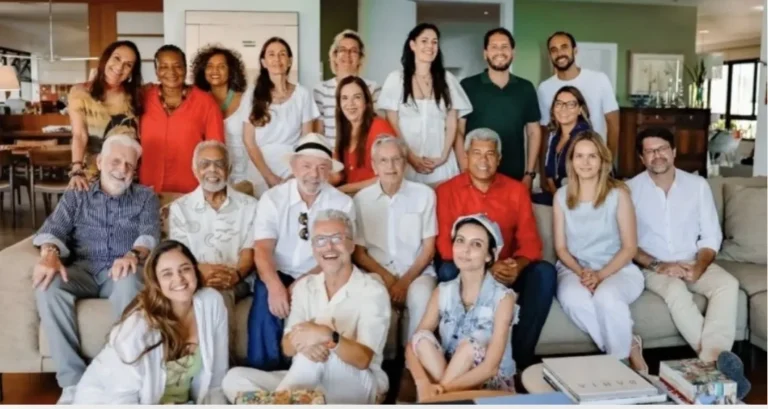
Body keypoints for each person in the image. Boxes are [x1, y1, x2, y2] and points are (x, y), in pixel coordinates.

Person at [32, 135, 160, 404]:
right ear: (99, 162)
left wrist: (132, 255)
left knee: (129, 280)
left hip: (121, 269)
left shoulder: (145, 197)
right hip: (83, 270)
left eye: (129, 165)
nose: (122, 169)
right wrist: (50, 253)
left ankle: (121, 376)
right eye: (116, 161)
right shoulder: (77, 194)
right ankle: (72, 383)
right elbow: (53, 229)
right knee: (48, 284)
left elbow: (149, 235)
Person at [627, 127, 749, 399]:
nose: (657, 155)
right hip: (654, 266)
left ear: (673, 152)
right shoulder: (630, 190)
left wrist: (698, 267)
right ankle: (721, 367)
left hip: (693, 260)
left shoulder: (697, 186)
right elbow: (629, 244)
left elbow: (711, 235)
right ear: (641, 158)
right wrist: (658, 266)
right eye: (649, 151)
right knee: (675, 291)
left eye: (662, 149)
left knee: (728, 284)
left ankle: (713, 365)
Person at [222, 210, 390, 404]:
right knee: (234, 378)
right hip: (307, 380)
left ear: (351, 245)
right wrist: (305, 340)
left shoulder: (372, 290)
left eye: (337, 238)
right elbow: (287, 347)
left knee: (313, 357)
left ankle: (278, 402)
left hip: (359, 382)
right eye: (320, 240)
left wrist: (328, 336)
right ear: (313, 248)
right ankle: (290, 401)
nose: (329, 247)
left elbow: (363, 359)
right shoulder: (305, 286)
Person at [435, 128, 556, 371]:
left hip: (506, 270)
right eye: (477, 153)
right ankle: (455, 357)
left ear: (499, 159)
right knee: (447, 270)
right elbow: (445, 248)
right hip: (466, 269)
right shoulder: (446, 191)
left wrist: (516, 266)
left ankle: (519, 360)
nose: (483, 160)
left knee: (544, 272)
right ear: (466, 157)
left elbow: (531, 243)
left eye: (490, 154)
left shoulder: (516, 190)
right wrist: (485, 269)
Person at [247, 133, 355, 371]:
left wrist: (301, 283)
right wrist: (276, 286)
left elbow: (340, 253)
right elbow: (262, 249)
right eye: (306, 166)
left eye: (322, 168)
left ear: (329, 172)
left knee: (316, 301)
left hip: (321, 273)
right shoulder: (272, 198)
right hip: (279, 271)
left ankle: (301, 375)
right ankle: (265, 374)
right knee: (266, 296)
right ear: (294, 166)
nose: (314, 174)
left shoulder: (342, 203)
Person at [73, 240, 228, 404]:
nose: (179, 278)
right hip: (108, 400)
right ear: (156, 282)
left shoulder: (212, 303)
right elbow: (122, 398)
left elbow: (215, 379)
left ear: (195, 270)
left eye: (185, 269)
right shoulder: (138, 326)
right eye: (167, 274)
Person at [552, 130, 646, 372]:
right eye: (579, 156)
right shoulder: (561, 196)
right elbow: (561, 248)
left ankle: (618, 369)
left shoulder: (619, 194)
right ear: (571, 161)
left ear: (603, 160)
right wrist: (583, 273)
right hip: (574, 268)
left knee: (607, 298)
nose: (585, 162)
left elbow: (629, 247)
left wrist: (600, 275)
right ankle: (627, 347)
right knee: (574, 299)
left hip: (617, 268)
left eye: (592, 156)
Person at [407, 214, 517, 402]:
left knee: (470, 346)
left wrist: (441, 389)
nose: (465, 250)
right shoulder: (442, 292)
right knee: (421, 338)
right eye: (460, 241)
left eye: (476, 244)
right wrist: (422, 383)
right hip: (449, 374)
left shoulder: (503, 298)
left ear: (489, 255)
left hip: (489, 384)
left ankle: (435, 401)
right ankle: (440, 399)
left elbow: (490, 368)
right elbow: (412, 346)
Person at [169, 140, 258, 354]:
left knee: (216, 295)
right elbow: (180, 254)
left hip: (236, 278)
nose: (212, 170)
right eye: (205, 164)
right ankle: (179, 362)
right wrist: (199, 273)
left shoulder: (250, 206)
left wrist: (236, 274)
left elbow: (249, 253)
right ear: (195, 170)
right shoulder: (180, 208)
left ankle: (221, 365)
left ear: (229, 168)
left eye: (219, 164)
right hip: (192, 276)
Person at [353, 136, 437, 356]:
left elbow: (429, 249)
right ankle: (378, 363)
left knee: (422, 296)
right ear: (374, 165)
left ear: (405, 163)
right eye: (383, 160)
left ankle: (413, 362)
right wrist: (390, 279)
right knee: (372, 294)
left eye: (396, 159)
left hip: (417, 272)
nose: (390, 166)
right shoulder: (361, 200)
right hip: (377, 271)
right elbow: (359, 254)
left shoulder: (425, 195)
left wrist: (404, 281)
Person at [379, 23, 472, 187]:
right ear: (412, 45)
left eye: (434, 42)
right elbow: (392, 124)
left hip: (441, 164)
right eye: (424, 41)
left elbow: (452, 123)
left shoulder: (447, 79)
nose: (430, 46)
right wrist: (410, 157)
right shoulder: (396, 79)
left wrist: (443, 157)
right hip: (407, 162)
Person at [460, 28, 541, 188]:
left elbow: (534, 132)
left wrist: (530, 174)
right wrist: (464, 167)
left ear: (513, 53)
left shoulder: (526, 88)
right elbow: (458, 131)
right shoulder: (468, 86)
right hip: (476, 176)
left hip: (515, 177)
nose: (500, 51)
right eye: (494, 47)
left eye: (505, 47)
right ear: (485, 53)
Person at [139, 44, 225, 194]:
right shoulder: (142, 98)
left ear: (185, 69)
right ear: (157, 72)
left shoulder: (206, 103)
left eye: (177, 66)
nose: (171, 72)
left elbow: (216, 149)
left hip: (190, 190)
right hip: (147, 189)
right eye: (164, 67)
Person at [243, 37, 320, 197]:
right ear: (264, 62)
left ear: (290, 61)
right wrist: (268, 176)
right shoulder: (252, 94)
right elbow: (249, 141)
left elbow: (307, 140)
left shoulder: (302, 94)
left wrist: (296, 173)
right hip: (260, 168)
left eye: (282, 54)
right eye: (271, 54)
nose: (277, 59)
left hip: (292, 167)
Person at [67, 40, 143, 190]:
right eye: (117, 58)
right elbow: (79, 135)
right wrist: (77, 169)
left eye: (128, 65)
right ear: (106, 58)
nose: (119, 67)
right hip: (94, 176)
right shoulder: (80, 93)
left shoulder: (136, 95)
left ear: (131, 72)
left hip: (129, 177)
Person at [537, 31, 619, 155]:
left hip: (593, 158)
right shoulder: (544, 88)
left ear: (575, 50)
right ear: (550, 55)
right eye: (554, 50)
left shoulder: (599, 79)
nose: (559, 53)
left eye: (564, 47)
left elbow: (613, 124)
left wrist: (608, 159)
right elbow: (545, 131)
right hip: (559, 159)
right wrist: (543, 165)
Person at [190, 45, 251, 186]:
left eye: (221, 66)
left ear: (230, 71)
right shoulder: (197, 102)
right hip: (212, 173)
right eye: (209, 66)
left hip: (245, 173)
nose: (215, 70)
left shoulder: (245, 100)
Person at [329, 75, 396, 195]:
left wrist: (346, 189)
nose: (350, 103)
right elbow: (338, 175)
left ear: (366, 102)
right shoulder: (344, 130)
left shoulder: (379, 127)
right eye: (344, 98)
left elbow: (389, 175)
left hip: (376, 197)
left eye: (357, 97)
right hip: (351, 197)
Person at [313, 29, 381, 147]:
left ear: (360, 58)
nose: (348, 55)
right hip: (331, 154)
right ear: (334, 56)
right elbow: (319, 133)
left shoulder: (373, 88)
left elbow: (377, 128)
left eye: (354, 51)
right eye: (342, 50)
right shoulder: (320, 90)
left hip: (363, 153)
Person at [534, 86, 592, 206]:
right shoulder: (554, 136)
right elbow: (549, 174)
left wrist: (562, 202)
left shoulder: (586, 137)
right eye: (559, 104)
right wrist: (557, 196)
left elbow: (587, 179)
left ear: (580, 109)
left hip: (581, 199)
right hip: (558, 195)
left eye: (570, 104)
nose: (563, 108)